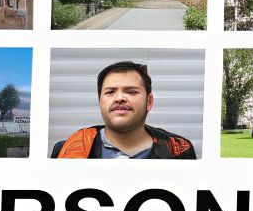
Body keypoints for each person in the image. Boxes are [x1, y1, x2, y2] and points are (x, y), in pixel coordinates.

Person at [51, 60, 198, 159]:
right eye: (110, 92)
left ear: (149, 101)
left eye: (131, 92)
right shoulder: (67, 151)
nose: (119, 98)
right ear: (100, 101)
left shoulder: (179, 151)